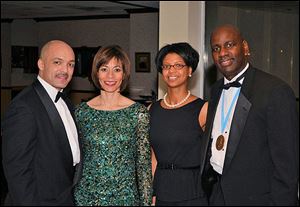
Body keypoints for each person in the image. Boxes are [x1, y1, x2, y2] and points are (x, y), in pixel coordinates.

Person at [201, 24, 299, 206]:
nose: (222, 53)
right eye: (216, 48)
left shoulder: (275, 91)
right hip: (217, 196)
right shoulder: (215, 90)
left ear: (245, 47)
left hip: (257, 199)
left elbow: (287, 167)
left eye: (229, 45)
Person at [1, 40, 82, 205]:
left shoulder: (66, 102)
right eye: (57, 62)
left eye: (71, 64)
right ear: (41, 64)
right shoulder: (24, 106)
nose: (65, 70)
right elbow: (18, 172)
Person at [73, 45, 152, 206]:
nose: (110, 76)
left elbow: (143, 166)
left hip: (125, 198)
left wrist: (146, 202)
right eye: (104, 69)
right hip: (86, 198)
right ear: (96, 73)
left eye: (116, 69)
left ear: (124, 74)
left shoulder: (139, 113)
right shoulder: (81, 113)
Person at [149, 42, 209, 206]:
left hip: (193, 193)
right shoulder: (151, 110)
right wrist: (151, 192)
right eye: (167, 66)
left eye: (178, 65)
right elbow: (153, 156)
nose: (172, 71)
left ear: (190, 70)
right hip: (161, 192)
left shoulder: (204, 109)